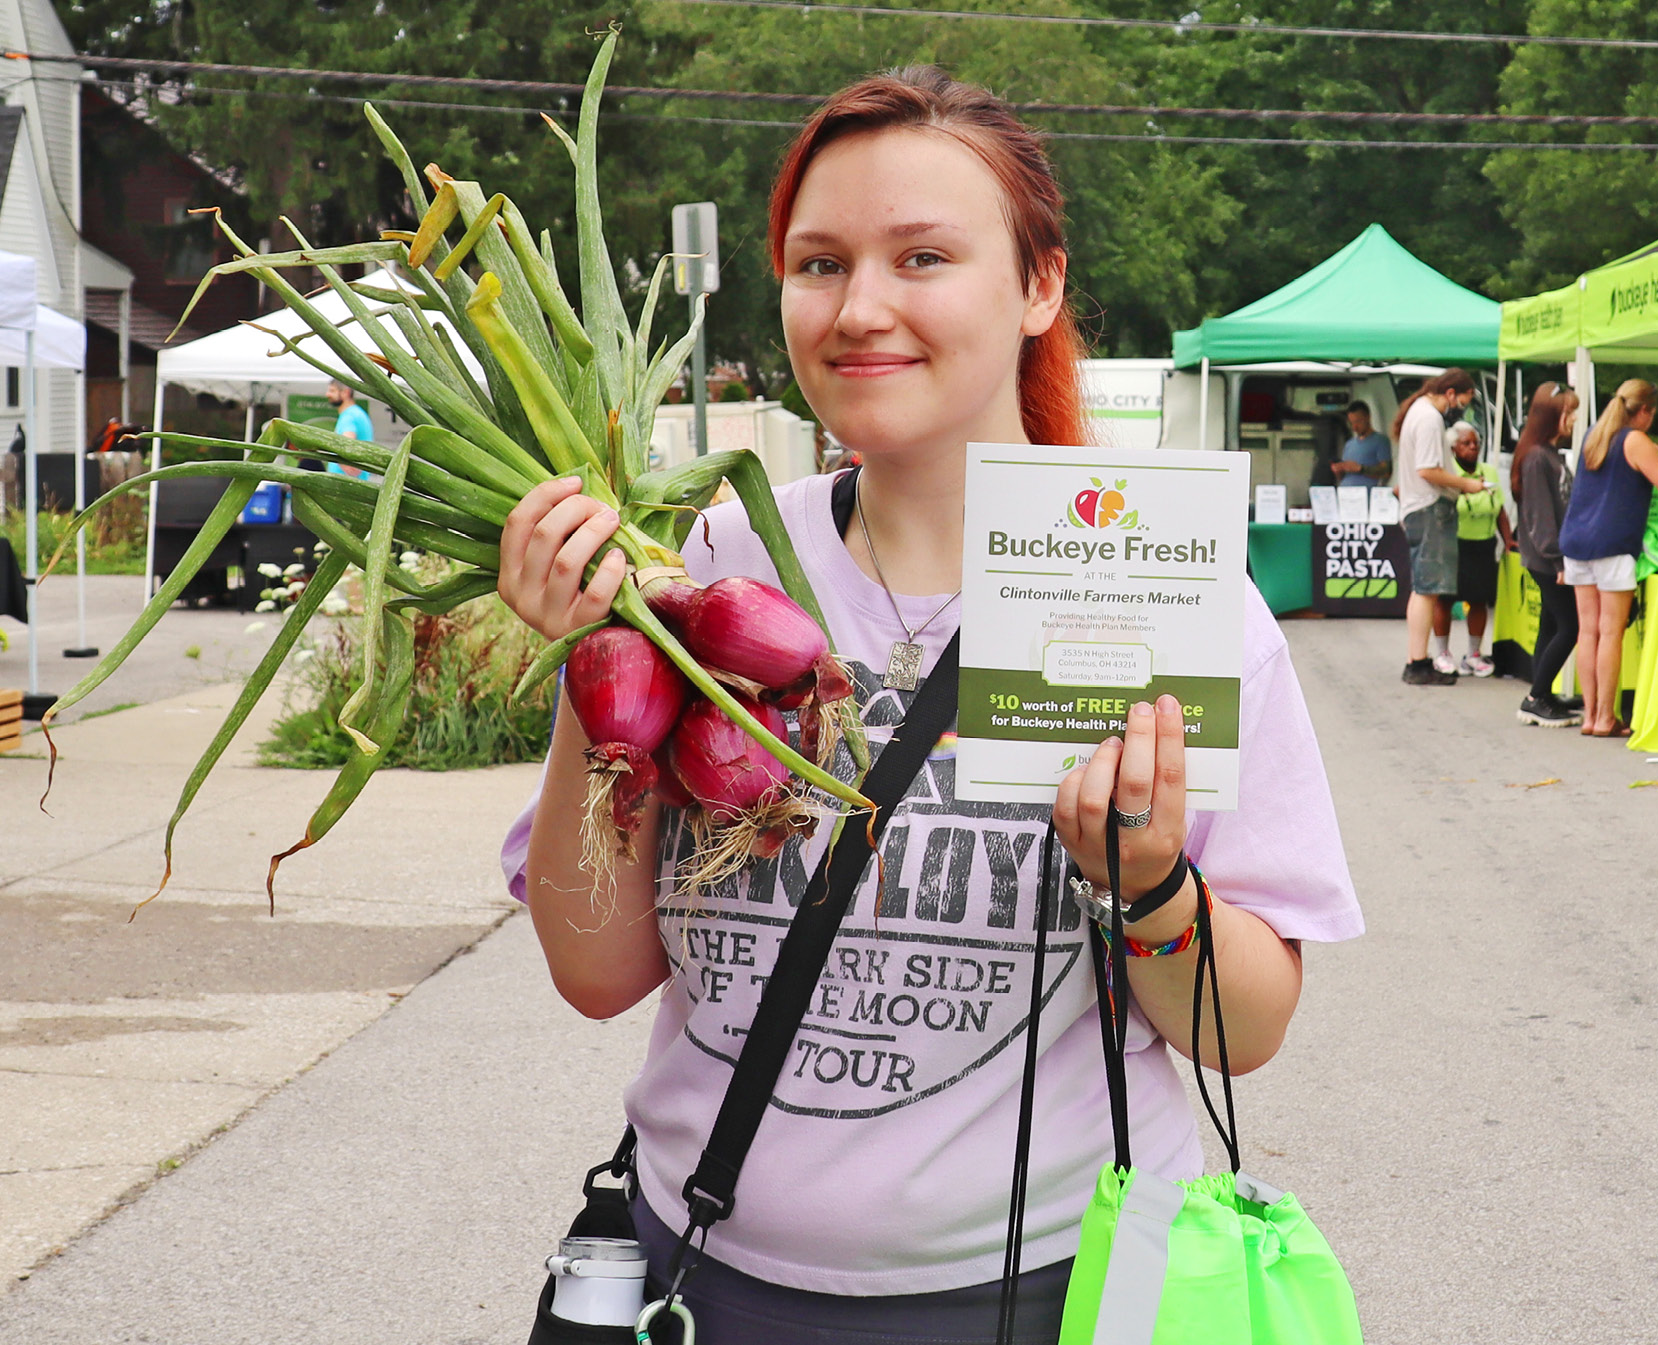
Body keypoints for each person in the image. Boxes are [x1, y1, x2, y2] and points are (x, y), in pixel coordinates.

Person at [497, 67, 1362, 1344]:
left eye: (922, 257)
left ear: (1037, 286)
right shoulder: (700, 570)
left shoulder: (1158, 588)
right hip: (706, 1287)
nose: (859, 309)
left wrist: (1144, 885)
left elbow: (1246, 1030)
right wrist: (596, 666)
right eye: (817, 263)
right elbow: (598, 974)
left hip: (1044, 1298)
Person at [1559, 378, 1658, 736]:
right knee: (1610, 633)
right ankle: (1607, 717)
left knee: (1588, 632)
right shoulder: (1636, 440)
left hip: (1576, 543)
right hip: (1613, 544)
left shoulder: (1596, 433)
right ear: (1646, 412)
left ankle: (1591, 717)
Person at [1393, 369, 1489, 686]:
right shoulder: (1430, 418)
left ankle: (1416, 658)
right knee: (1427, 589)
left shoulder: (1418, 412)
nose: (1459, 409)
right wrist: (1466, 484)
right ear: (1449, 393)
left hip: (1419, 507)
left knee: (1425, 589)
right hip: (1430, 507)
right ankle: (1418, 662)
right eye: (1461, 402)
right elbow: (1428, 470)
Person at [1509, 382, 1581, 727]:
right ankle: (1535, 696)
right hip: (1547, 560)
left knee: (1551, 626)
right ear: (1554, 416)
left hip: (1548, 558)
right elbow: (1541, 518)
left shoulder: (1547, 454)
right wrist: (1558, 561)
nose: (1573, 418)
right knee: (1570, 626)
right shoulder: (1538, 457)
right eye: (1569, 411)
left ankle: (1543, 692)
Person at [1429, 421, 1512, 677]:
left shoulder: (1489, 471)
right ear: (1453, 448)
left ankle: (1473, 655)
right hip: (1453, 543)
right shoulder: (1447, 473)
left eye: (1476, 442)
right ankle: (1442, 653)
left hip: (1483, 544)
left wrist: (1507, 540)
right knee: (1444, 599)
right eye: (1466, 443)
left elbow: (1499, 509)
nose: (1473, 447)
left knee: (1478, 599)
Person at [1333, 400, 1392, 488]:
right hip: (1345, 493)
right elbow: (1343, 477)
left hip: (1364, 495)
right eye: (1351, 423)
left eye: (1358, 422)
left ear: (1368, 417)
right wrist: (1338, 471)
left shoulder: (1381, 441)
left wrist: (1360, 468)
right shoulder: (1349, 444)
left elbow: (1386, 471)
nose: (1354, 427)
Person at [325, 378, 374, 479]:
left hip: (346, 484)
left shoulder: (349, 416)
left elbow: (346, 443)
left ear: (346, 392)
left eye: (332, 391)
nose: (327, 394)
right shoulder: (357, 413)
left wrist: (342, 461)